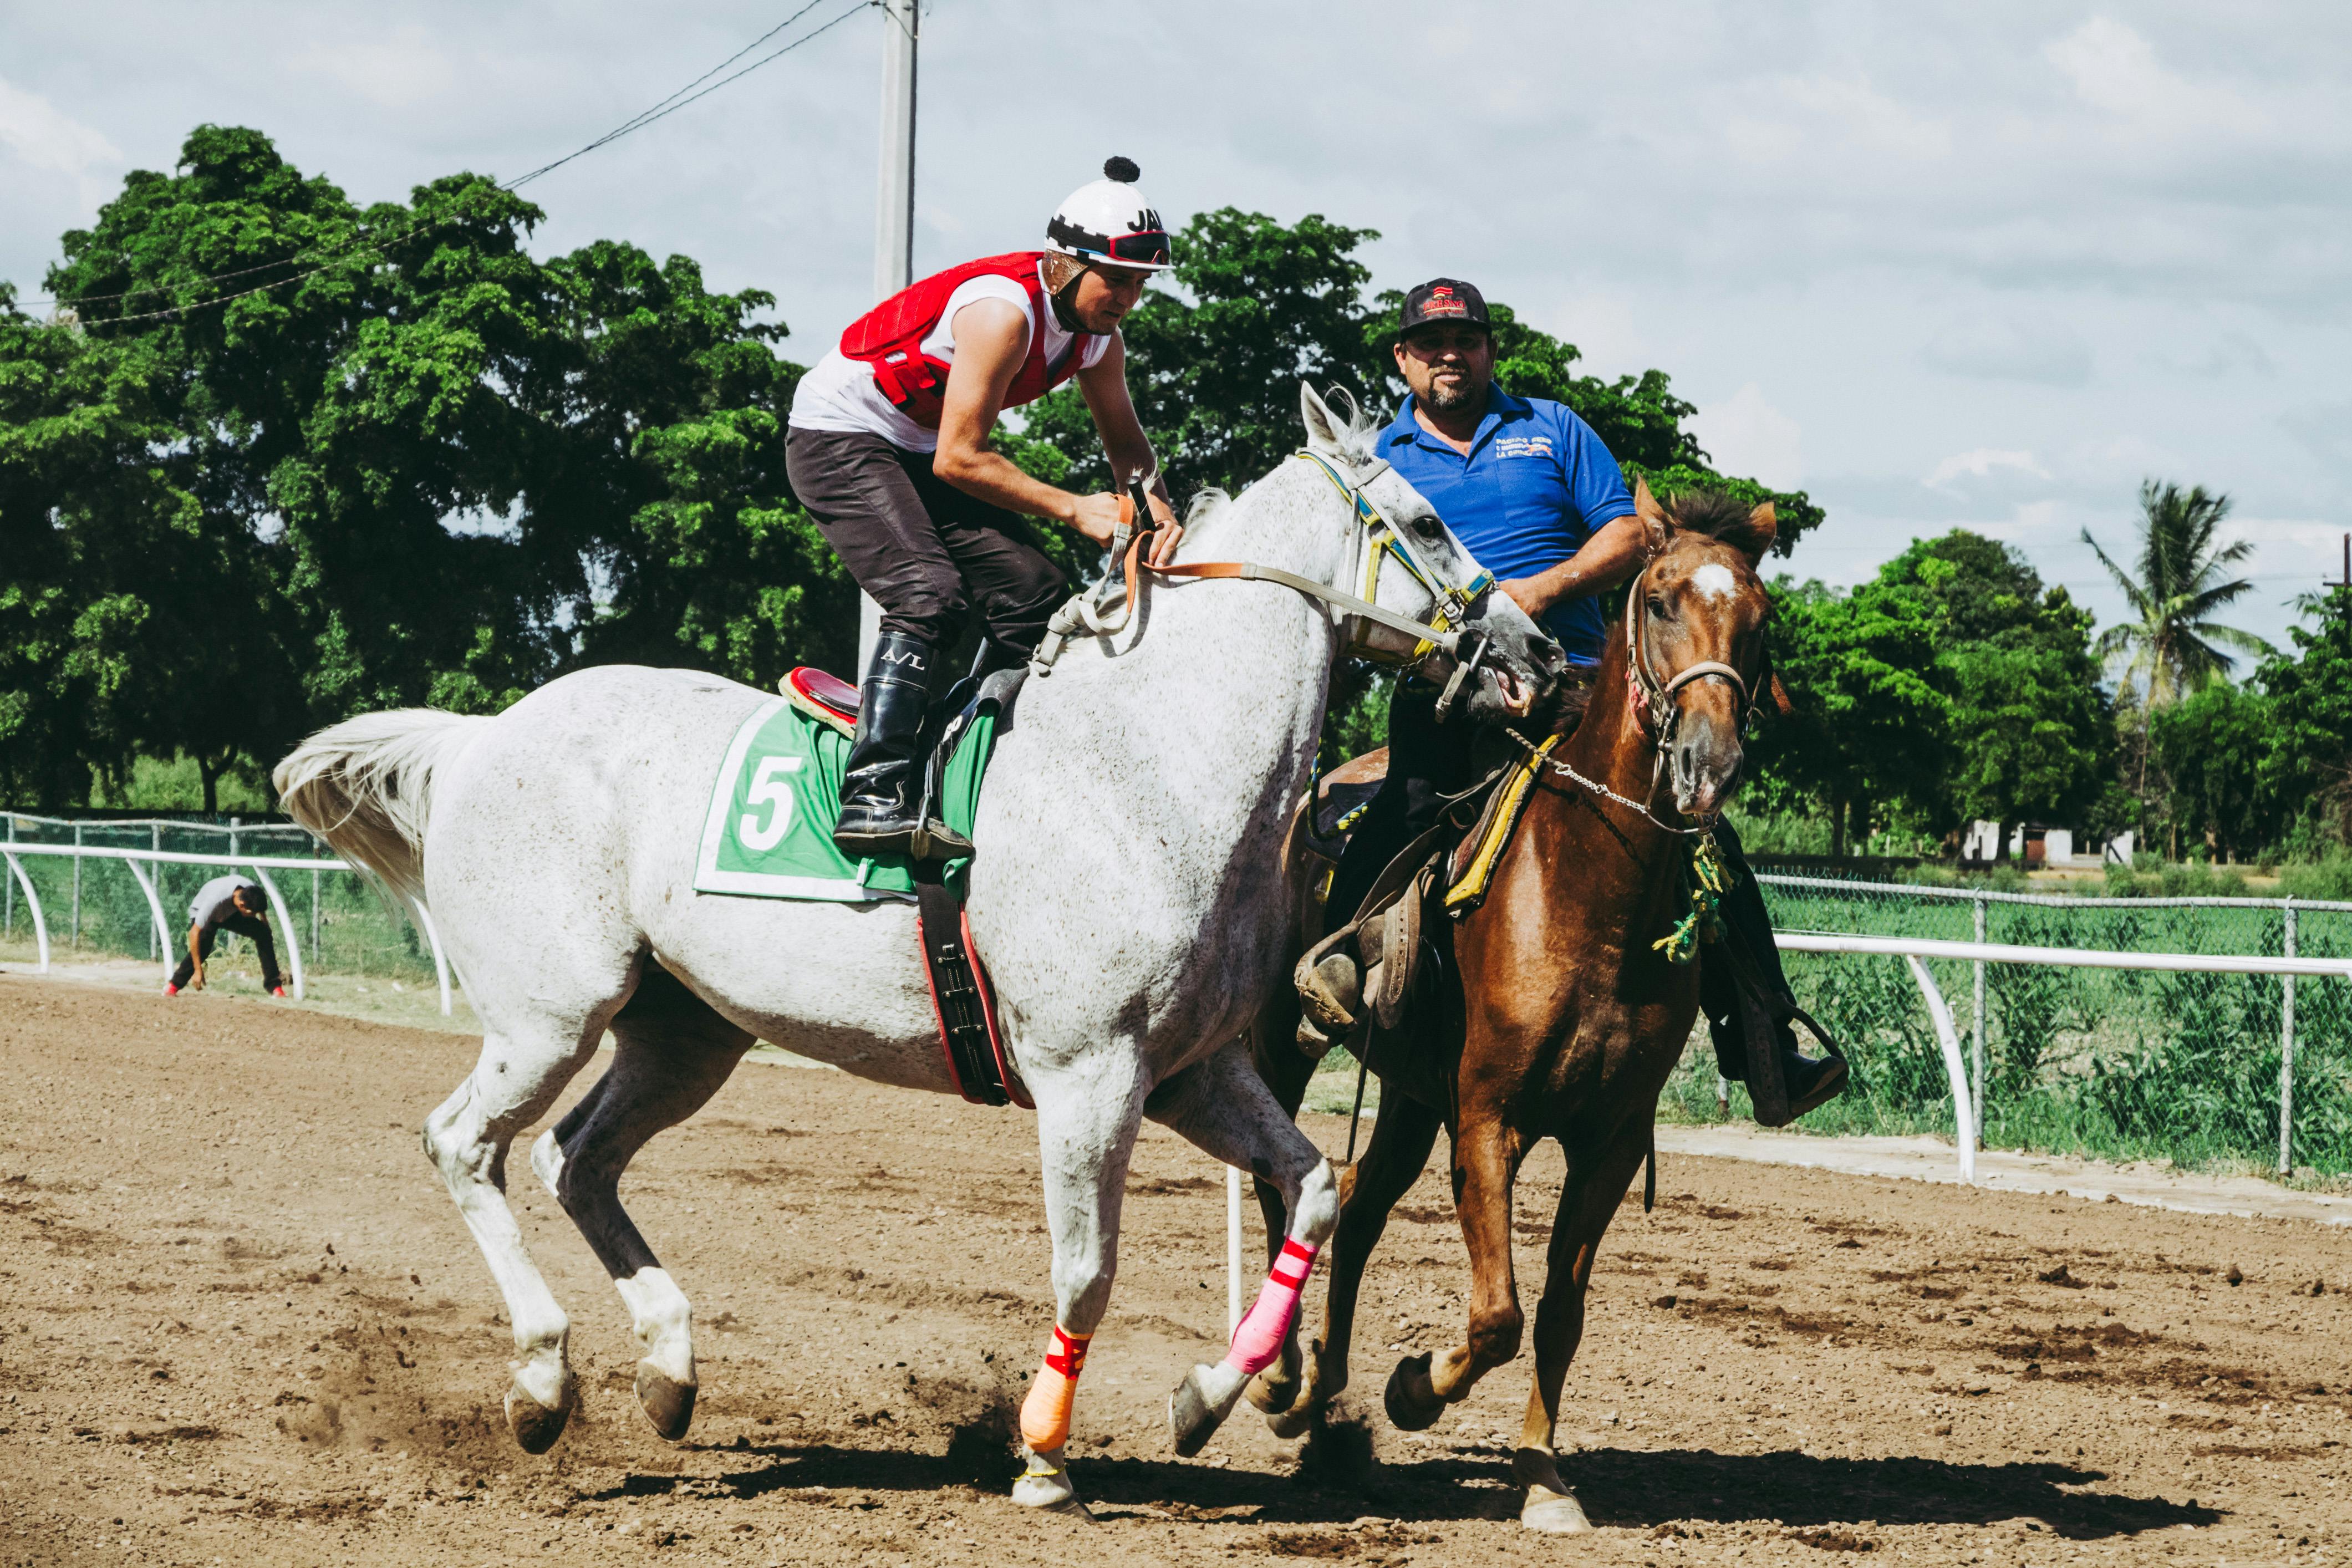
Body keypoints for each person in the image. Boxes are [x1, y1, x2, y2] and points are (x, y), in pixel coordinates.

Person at [1314, 277, 1845, 1124]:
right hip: (1446, 691)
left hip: (1576, 689)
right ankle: (1335, 970)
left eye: (1466, 340)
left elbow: (1629, 531)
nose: (1449, 356)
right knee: (1400, 810)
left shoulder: (1550, 428)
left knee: (1708, 840)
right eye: (1430, 343)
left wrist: (1540, 589)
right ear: (1403, 358)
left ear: (1488, 351)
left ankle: (1763, 1042)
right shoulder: (1381, 457)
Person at [787, 156, 1180, 861]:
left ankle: (958, 757)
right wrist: (1076, 510)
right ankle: (873, 791)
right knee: (928, 593)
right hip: (842, 435)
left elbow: (1129, 450)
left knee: (1037, 596)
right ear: (1062, 265)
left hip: (917, 445)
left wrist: (1157, 507)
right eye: (1116, 280)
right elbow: (959, 459)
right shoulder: (1003, 313)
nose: (1128, 298)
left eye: (1140, 284)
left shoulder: (1099, 341)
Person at [167, 875, 284, 997]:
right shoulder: (214, 901)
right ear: (243, 905)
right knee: (202, 949)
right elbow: (194, 933)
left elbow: (259, 905)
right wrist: (198, 970)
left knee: (263, 933)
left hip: (232, 913)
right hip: (205, 914)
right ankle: (173, 986)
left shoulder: (251, 890)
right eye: (253, 914)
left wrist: (265, 923)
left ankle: (275, 987)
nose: (254, 916)